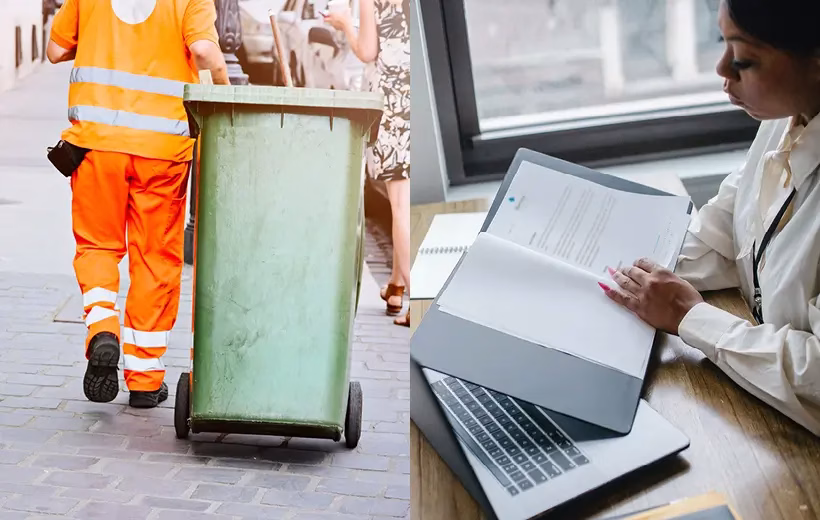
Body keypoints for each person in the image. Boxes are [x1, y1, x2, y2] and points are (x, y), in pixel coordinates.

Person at [600, 0, 820, 436]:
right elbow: (729, 232)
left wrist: (692, 316)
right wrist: (612, 271)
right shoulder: (787, 120)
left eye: (743, 59)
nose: (723, 71)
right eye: (723, 43)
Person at [46, 0, 229, 408]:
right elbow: (202, 50)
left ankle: (102, 328)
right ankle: (145, 380)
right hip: (161, 150)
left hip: (95, 145)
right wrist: (224, 87)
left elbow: (56, 50)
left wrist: (101, 39)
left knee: (96, 246)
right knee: (154, 259)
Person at [324, 0, 411, 327]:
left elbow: (367, 50)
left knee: (402, 205)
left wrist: (346, 23)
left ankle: (415, 304)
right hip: (420, 91)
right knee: (407, 199)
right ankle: (396, 288)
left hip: (394, 100)